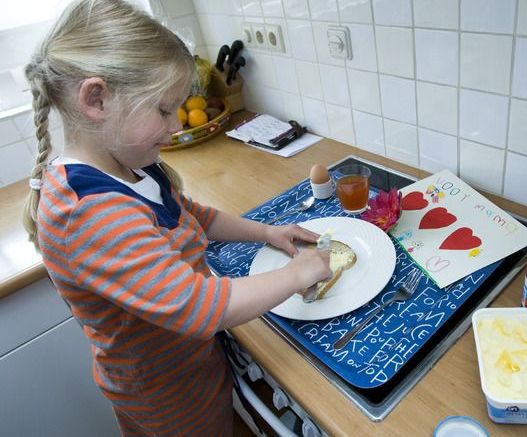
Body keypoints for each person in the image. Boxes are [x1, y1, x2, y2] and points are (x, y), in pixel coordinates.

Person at [22, 0, 331, 435]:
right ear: (96, 99)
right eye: (164, 110)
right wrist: (300, 274)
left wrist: (267, 232)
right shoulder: (87, 213)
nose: (175, 126)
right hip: (167, 394)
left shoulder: (127, 161)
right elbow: (197, 305)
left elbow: (191, 214)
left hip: (194, 359)